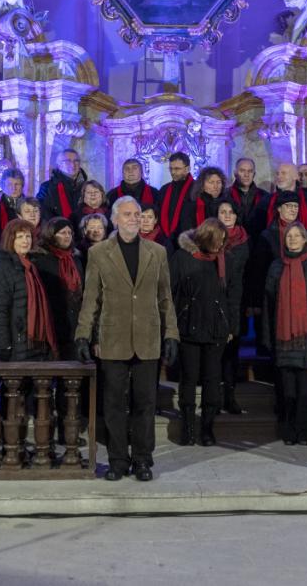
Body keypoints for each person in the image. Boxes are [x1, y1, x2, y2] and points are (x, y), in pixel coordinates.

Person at [74, 196, 179, 482]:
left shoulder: (157, 252)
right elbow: (91, 298)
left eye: (137, 214)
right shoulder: (98, 253)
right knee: (114, 405)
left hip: (147, 337)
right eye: (128, 214)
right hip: (113, 338)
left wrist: (171, 334)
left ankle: (143, 459)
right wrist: (83, 334)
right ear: (115, 219)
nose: (134, 218)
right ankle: (118, 460)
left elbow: (165, 297)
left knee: (145, 403)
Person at [262, 222, 307, 445]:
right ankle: (289, 432)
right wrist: (267, 336)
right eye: (289, 236)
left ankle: (305, 432)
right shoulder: (276, 266)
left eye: (297, 235)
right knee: (287, 390)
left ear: (305, 240)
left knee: (305, 391)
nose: (292, 239)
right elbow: (269, 305)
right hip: (283, 338)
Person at [171, 219, 237, 446]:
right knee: (189, 377)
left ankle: (207, 428)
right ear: (206, 237)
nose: (220, 245)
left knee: (212, 377)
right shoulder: (182, 257)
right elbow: (170, 291)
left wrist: (231, 326)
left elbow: (232, 295)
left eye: (223, 241)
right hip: (188, 325)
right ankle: (188, 428)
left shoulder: (226, 259)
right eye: (217, 240)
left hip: (216, 327)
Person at [0, 218, 59, 362]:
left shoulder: (32, 265)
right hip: (17, 342)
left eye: (28, 236)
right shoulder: (2, 266)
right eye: (19, 237)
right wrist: (4, 346)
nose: (25, 241)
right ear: (10, 240)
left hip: (38, 342)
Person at [33, 217, 86, 360]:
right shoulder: (41, 260)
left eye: (69, 233)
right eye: (62, 233)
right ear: (51, 234)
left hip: (73, 324)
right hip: (51, 324)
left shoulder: (75, 259)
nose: (67, 236)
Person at [216, 199, 251, 414]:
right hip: (214, 301)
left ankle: (230, 397)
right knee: (214, 354)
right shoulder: (209, 238)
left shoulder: (245, 240)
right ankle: (213, 398)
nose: (227, 215)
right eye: (223, 212)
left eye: (231, 212)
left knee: (231, 353)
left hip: (236, 302)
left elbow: (250, 273)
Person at [36, 148, 87, 224]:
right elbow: (43, 212)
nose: (73, 164)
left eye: (76, 161)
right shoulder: (47, 188)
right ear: (59, 165)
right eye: (68, 161)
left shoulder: (87, 187)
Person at [158, 151, 195, 249]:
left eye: (177, 169)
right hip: (166, 242)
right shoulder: (164, 189)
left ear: (188, 169)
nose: (173, 172)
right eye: (171, 169)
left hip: (189, 242)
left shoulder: (197, 189)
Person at [263, 162, 307, 231]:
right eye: (277, 174)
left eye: (283, 173)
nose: (279, 177)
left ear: (295, 176)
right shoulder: (266, 201)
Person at [228, 157, 267, 235]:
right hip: (232, 238)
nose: (246, 175)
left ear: (254, 174)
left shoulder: (265, 196)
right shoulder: (225, 195)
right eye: (242, 171)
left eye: (250, 171)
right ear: (235, 173)